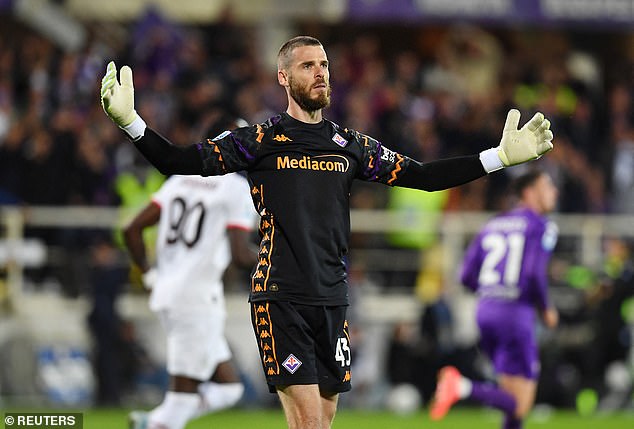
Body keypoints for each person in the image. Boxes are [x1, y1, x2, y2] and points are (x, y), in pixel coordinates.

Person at [100, 35, 554, 429]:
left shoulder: (350, 145)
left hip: (332, 298)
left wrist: (497, 158)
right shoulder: (260, 141)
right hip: (282, 296)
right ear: (283, 78)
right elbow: (180, 162)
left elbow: (424, 176)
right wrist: (131, 124)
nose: (320, 73)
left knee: (323, 417)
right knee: (311, 422)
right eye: (307, 66)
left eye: (324, 66)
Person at [122, 114, 258, 429]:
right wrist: (280, 259)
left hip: (170, 292)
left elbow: (132, 230)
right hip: (196, 299)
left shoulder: (180, 178)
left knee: (229, 388)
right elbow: (240, 255)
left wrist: (149, 275)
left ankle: (151, 421)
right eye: (242, 140)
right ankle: (159, 423)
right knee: (180, 401)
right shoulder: (235, 188)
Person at [429, 169, 560, 429]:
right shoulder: (541, 226)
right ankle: (462, 386)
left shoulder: (494, 223)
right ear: (530, 193)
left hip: (487, 311)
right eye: (548, 186)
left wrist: (493, 290)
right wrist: (546, 308)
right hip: (516, 314)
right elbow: (534, 273)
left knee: (510, 402)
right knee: (520, 404)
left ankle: (462, 387)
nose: (554, 192)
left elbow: (465, 275)